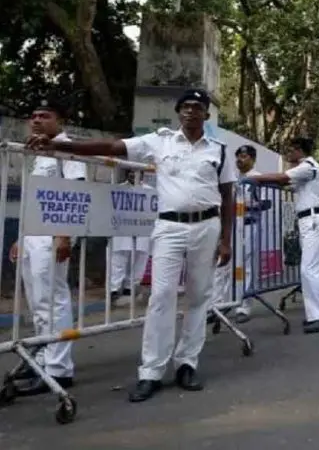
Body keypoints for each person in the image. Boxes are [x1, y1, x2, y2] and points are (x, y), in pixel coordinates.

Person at [26, 88, 236, 401]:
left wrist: (226, 240)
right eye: (186, 107)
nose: (192, 111)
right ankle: (151, 371)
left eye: (198, 107)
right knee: (161, 296)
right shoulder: (158, 141)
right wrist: (59, 146)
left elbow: (228, 195)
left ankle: (186, 363)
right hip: (169, 226)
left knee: (198, 297)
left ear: (206, 115)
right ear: (179, 113)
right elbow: (111, 146)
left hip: (208, 226)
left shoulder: (219, 151)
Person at [9, 98, 86, 396]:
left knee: (53, 300)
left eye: (45, 115)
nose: (37, 119)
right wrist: (21, 236)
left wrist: (64, 235)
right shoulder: (40, 151)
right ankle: (42, 357)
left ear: (60, 121)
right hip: (34, 235)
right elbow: (36, 199)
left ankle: (59, 369)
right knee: (38, 303)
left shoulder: (68, 149)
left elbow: (74, 193)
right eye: (34, 115)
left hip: (53, 234)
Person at [244, 137, 319, 334]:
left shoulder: (307, 166)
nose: (289, 154)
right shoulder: (307, 170)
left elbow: (283, 178)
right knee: (317, 269)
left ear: (300, 150)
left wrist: (255, 178)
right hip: (312, 220)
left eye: (291, 150)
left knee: (309, 270)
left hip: (312, 220)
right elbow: (286, 185)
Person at [212, 145, 261, 323]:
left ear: (253, 159)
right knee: (223, 263)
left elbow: (258, 202)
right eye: (238, 156)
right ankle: (218, 305)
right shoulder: (232, 178)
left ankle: (244, 305)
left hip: (248, 224)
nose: (240, 159)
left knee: (247, 265)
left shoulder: (258, 177)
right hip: (231, 226)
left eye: (244, 156)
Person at [108, 169, 152, 304]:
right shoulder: (118, 189)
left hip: (142, 230)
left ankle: (130, 288)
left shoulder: (150, 191)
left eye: (137, 172)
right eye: (131, 172)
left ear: (143, 174)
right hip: (122, 230)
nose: (133, 175)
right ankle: (114, 289)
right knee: (118, 260)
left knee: (139, 260)